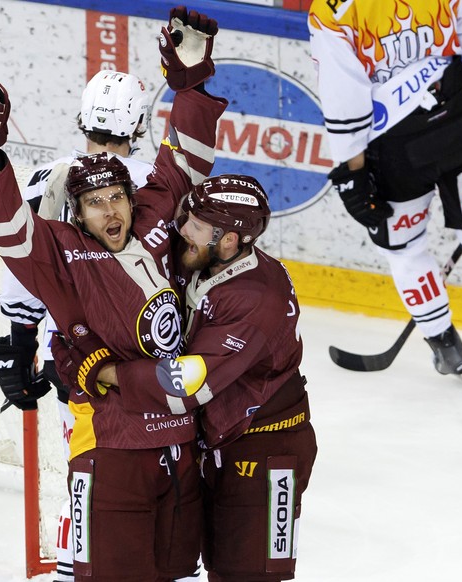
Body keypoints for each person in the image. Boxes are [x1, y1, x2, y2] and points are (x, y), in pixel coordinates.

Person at [0, 6, 227, 579]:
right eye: (95, 204)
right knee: (95, 487)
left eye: (115, 200)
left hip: (158, 386)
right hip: (96, 375)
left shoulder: (109, 192)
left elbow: (187, 163)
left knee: (135, 507)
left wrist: (19, 338)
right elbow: (19, 244)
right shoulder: (82, 227)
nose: (109, 209)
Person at [62, 175, 317, 581]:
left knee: (250, 576)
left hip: (266, 453)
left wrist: (104, 370)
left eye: (196, 225)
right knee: (219, 566)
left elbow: (183, 388)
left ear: (230, 240)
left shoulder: (255, 301)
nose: (181, 231)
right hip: (221, 443)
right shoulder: (215, 260)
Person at [0, 69, 154, 582]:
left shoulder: (46, 179)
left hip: (77, 360)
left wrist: (20, 346)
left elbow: (25, 266)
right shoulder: (151, 179)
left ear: (83, 117)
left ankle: (71, 571)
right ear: (139, 123)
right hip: (154, 358)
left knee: (84, 473)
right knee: (155, 481)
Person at [308, 0, 462, 381]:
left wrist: (353, 174)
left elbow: (344, 96)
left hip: (397, 151)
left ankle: (443, 344)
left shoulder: (331, 10)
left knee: (404, 249)